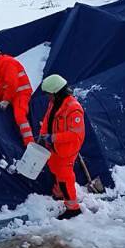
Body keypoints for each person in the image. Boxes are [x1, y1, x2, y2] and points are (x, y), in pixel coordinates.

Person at [36, 74, 85, 220]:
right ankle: (59, 193)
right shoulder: (54, 103)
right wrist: (42, 135)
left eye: (49, 94)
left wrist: (53, 137)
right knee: (54, 168)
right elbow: (47, 119)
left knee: (65, 176)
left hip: (67, 149)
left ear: (57, 92)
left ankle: (73, 208)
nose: (48, 97)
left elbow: (74, 135)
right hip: (54, 147)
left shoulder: (74, 109)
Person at [0, 47, 35, 146]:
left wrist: (6, 100)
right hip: (13, 94)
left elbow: (12, 83)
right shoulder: (0, 66)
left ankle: (30, 144)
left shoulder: (6, 63)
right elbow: (3, 87)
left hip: (21, 93)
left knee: (20, 116)